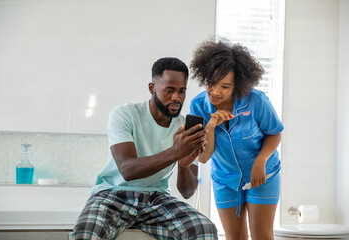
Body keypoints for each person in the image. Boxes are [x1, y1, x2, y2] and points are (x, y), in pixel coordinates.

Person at [69, 57, 218, 240]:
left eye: (182, 91)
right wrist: (176, 152)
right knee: (86, 233)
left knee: (204, 229)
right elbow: (128, 170)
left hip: (156, 198)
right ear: (152, 88)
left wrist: (184, 164)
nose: (176, 98)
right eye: (169, 90)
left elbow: (187, 192)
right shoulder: (125, 114)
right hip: (113, 194)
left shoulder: (184, 130)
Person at [189, 38, 284, 240]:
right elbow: (203, 158)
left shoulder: (256, 101)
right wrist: (211, 127)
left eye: (225, 86)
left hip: (263, 175)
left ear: (237, 85)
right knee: (235, 238)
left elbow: (274, 133)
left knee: (262, 236)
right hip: (225, 180)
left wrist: (261, 161)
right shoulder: (198, 107)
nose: (215, 92)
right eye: (211, 84)